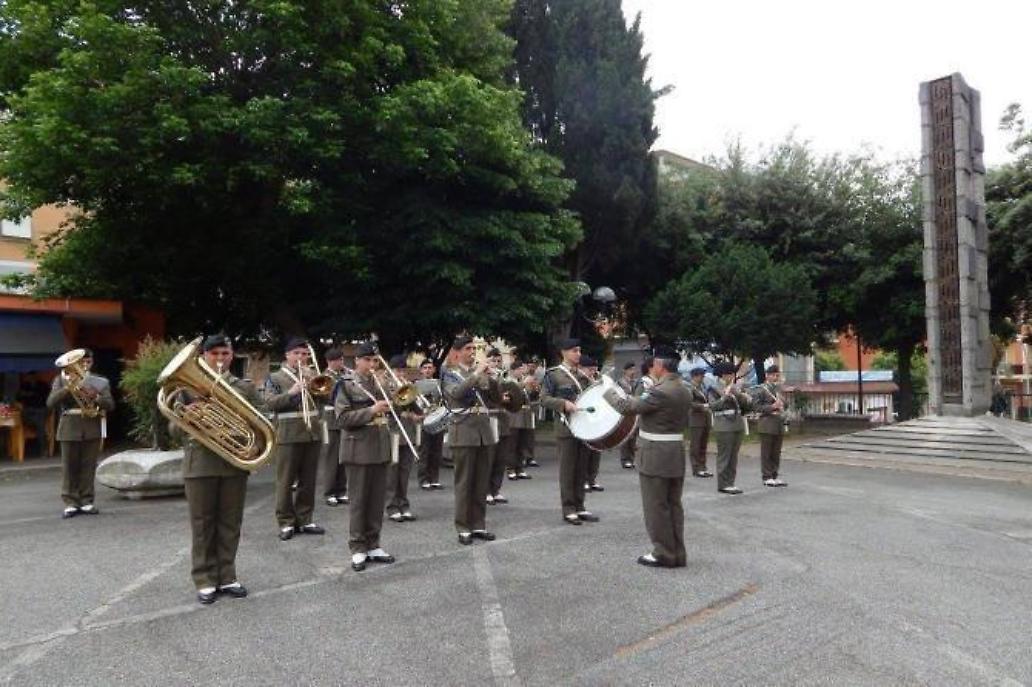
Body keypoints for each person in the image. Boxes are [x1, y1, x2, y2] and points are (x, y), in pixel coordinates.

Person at [173, 335, 260, 604]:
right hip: (200, 464)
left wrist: (256, 445)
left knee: (230, 523)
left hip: (233, 463)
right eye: (215, 354)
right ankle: (204, 579)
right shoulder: (185, 387)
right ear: (204, 356)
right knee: (202, 525)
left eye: (225, 353)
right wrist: (189, 416)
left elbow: (261, 419)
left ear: (231, 355)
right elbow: (173, 430)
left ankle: (227, 575)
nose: (221, 359)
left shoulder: (243, 387)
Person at [604, 348, 691, 567]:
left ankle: (663, 553)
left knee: (656, 506)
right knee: (673, 505)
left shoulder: (660, 391)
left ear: (660, 365)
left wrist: (608, 388)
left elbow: (626, 407)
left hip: (655, 454)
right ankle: (677, 552)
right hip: (674, 453)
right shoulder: (683, 389)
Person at [334, 342, 396, 572]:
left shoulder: (380, 382)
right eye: (368, 360)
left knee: (377, 499)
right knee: (359, 501)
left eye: (375, 360)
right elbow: (341, 419)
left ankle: (374, 544)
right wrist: (371, 410)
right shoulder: (346, 384)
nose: (372, 364)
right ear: (357, 360)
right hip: (357, 448)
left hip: (379, 446)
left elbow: (396, 406)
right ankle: (358, 547)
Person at [263, 337, 327, 541]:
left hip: (312, 433)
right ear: (287, 355)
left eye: (304, 354)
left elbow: (327, 397)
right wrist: (291, 392)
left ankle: (305, 518)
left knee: (308, 481)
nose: (301, 357)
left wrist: (315, 382)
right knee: (285, 481)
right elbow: (270, 403)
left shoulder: (312, 375)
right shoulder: (275, 377)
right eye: (297, 353)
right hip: (288, 435)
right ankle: (286, 522)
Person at [441, 335, 502, 545]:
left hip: (483, 432)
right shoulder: (450, 374)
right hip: (463, 431)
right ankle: (463, 526)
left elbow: (495, 398)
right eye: (468, 348)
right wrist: (476, 374)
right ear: (457, 353)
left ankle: (478, 524)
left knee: (480, 482)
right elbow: (457, 393)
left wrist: (494, 378)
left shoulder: (480, 373)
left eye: (473, 348)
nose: (472, 352)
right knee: (464, 482)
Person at [47, 348, 115, 519]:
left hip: (91, 426)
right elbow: (50, 402)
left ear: (91, 362)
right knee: (69, 466)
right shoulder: (61, 380)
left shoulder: (100, 381)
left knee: (88, 466)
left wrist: (96, 397)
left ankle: (86, 501)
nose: (84, 364)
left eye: (87, 361)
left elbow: (110, 404)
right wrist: (68, 388)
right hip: (69, 425)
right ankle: (70, 503)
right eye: (80, 361)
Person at [540, 338, 599, 526]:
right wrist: (562, 404)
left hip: (583, 427)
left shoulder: (582, 375)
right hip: (566, 427)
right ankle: (568, 508)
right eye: (574, 350)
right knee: (568, 469)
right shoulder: (554, 375)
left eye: (579, 350)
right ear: (563, 352)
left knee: (581, 468)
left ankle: (580, 506)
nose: (578, 354)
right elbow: (543, 399)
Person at [385, 353, 422, 522]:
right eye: (397, 370)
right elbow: (388, 409)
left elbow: (415, 408)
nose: (401, 374)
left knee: (405, 472)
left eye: (403, 370)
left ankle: (404, 504)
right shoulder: (385, 385)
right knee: (392, 472)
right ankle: (392, 506)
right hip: (392, 432)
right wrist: (407, 414)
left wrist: (418, 411)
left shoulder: (406, 385)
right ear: (391, 370)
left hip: (408, 433)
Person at [707, 361, 753, 495]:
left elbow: (747, 406)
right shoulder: (714, 388)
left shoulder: (735, 388)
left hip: (737, 423)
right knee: (724, 456)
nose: (732, 376)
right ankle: (723, 484)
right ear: (723, 375)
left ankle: (731, 482)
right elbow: (713, 406)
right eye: (730, 374)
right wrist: (726, 397)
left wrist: (739, 395)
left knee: (733, 456)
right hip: (723, 425)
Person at [485, 348, 513, 505]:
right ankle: (486, 491)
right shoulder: (484, 378)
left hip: (503, 418)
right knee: (489, 457)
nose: (496, 364)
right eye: (493, 361)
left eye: (498, 361)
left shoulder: (504, 377)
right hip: (490, 418)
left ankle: (496, 490)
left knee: (501, 458)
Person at [322, 347, 349, 506]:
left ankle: (341, 490)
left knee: (343, 456)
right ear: (330, 362)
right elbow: (326, 398)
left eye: (342, 360)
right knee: (331, 457)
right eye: (339, 360)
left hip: (343, 419)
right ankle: (329, 492)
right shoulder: (325, 377)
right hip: (331, 419)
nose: (341, 363)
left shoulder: (344, 375)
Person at [754, 364, 788, 487]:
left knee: (776, 452)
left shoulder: (778, 389)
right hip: (767, 423)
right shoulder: (761, 389)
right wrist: (772, 407)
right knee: (767, 452)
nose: (776, 378)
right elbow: (756, 407)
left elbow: (785, 404)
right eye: (773, 375)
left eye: (777, 375)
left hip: (778, 423)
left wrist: (783, 403)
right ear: (767, 376)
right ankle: (766, 476)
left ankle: (774, 475)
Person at [416, 358, 445, 490]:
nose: (428, 370)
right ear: (421, 370)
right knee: (424, 450)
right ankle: (423, 479)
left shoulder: (439, 384)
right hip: (423, 419)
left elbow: (443, 401)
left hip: (437, 419)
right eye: (425, 368)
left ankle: (434, 478)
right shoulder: (416, 385)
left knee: (436, 450)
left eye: (430, 368)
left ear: (434, 370)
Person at [506, 360, 535, 481]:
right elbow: (511, 393)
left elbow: (528, 397)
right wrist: (524, 384)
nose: (522, 372)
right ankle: (511, 469)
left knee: (522, 443)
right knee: (512, 444)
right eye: (520, 370)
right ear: (513, 370)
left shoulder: (519, 382)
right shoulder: (508, 381)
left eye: (522, 370)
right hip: (513, 415)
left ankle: (520, 468)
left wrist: (531, 388)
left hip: (524, 415)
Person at [580, 355, 605, 492]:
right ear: (582, 369)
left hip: (596, 420)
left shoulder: (596, 380)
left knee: (596, 452)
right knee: (584, 453)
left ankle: (592, 479)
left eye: (594, 370)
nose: (593, 373)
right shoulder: (579, 381)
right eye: (590, 370)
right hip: (584, 420)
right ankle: (583, 480)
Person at [687, 367, 714, 478]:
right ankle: (696, 468)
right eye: (701, 376)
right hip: (695, 418)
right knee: (696, 444)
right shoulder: (689, 388)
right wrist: (702, 406)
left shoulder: (702, 387)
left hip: (705, 418)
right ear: (695, 376)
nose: (702, 378)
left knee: (703, 444)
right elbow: (689, 403)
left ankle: (703, 466)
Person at [616, 362, 639, 469]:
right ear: (625, 371)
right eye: (630, 370)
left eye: (634, 370)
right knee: (625, 436)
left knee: (633, 436)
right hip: (624, 411)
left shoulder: (636, 382)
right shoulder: (620, 383)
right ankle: (625, 459)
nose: (633, 372)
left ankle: (631, 458)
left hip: (634, 411)